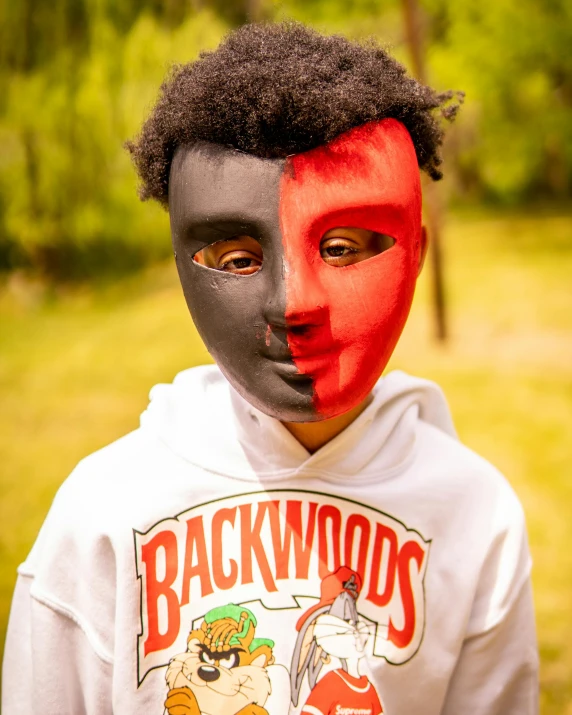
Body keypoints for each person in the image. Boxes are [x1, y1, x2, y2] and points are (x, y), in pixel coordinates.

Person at [2, 21, 538, 715]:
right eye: (237, 259)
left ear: (416, 253)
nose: (294, 304)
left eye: (343, 246)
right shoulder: (104, 511)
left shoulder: (476, 514)